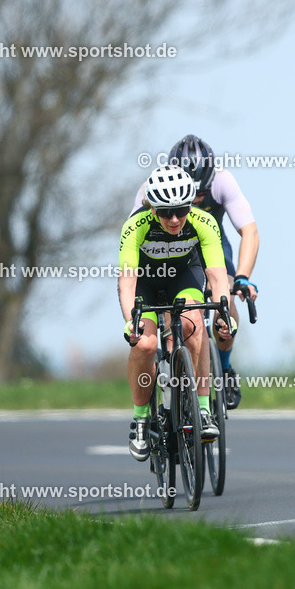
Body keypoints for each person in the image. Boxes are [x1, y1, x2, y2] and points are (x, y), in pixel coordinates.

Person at [133, 135, 259, 410]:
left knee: (224, 291)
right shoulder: (152, 188)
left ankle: (224, 371)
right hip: (169, 254)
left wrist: (242, 277)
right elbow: (134, 235)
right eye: (194, 194)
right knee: (170, 304)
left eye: (203, 194)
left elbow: (249, 230)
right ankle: (172, 373)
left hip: (209, 246)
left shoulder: (223, 181)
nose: (198, 200)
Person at [119, 165, 230, 461]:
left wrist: (223, 313)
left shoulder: (204, 222)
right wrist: (131, 322)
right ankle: (141, 419)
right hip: (146, 281)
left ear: (190, 204)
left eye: (180, 210)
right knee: (145, 344)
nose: (174, 219)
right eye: (165, 212)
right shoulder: (136, 225)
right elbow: (127, 281)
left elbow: (218, 276)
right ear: (152, 208)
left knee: (195, 325)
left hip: (184, 276)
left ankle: (203, 409)